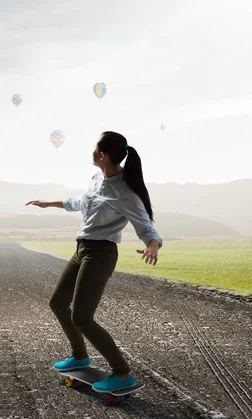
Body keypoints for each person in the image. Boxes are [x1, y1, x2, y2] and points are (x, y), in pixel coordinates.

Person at [26, 131, 162, 393]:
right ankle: (79, 356)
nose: (91, 151)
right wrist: (49, 204)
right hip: (82, 248)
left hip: (101, 253)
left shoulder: (126, 192)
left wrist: (153, 246)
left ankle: (123, 373)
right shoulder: (95, 177)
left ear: (103, 154)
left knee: (82, 318)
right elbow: (79, 201)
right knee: (57, 303)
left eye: (94, 147)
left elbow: (145, 225)